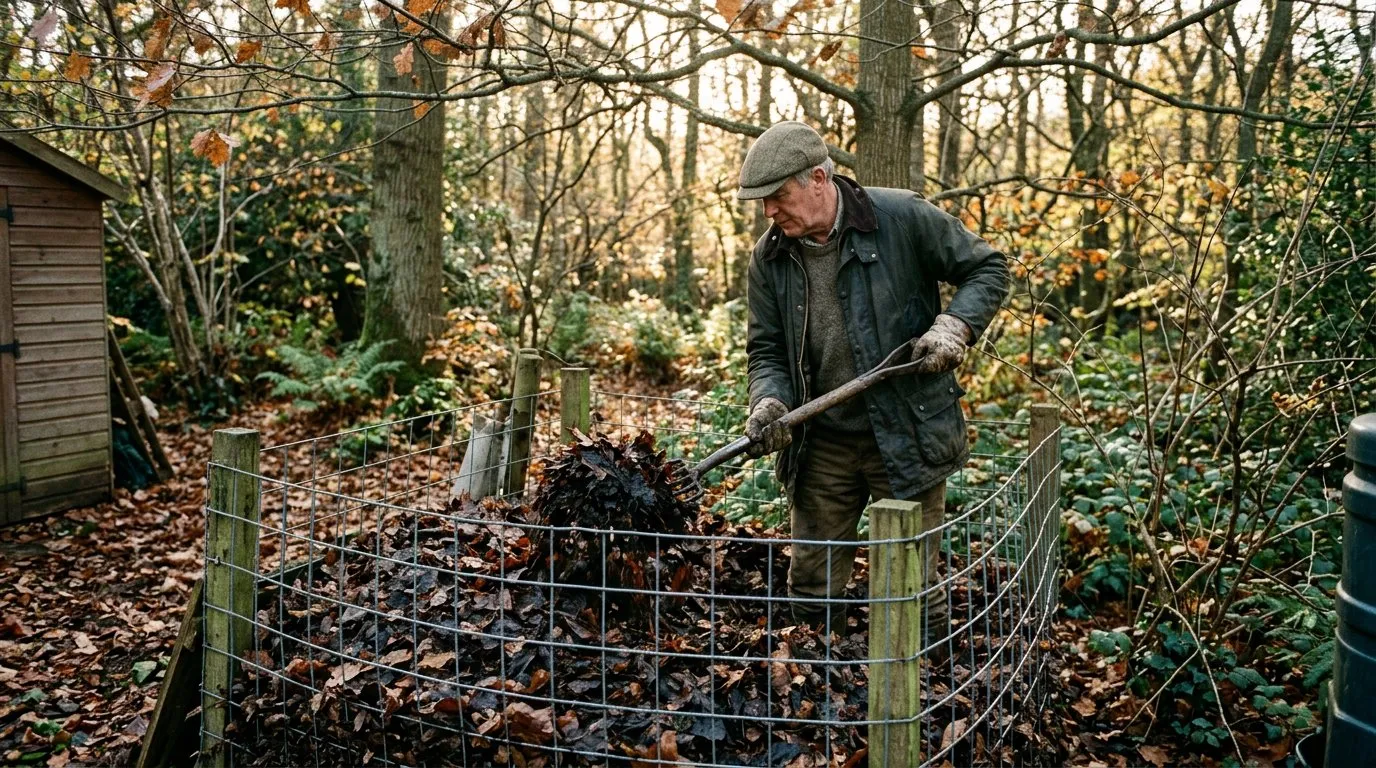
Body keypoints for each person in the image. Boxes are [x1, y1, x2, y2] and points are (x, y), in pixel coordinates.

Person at [738, 121, 1009, 643]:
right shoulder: (768, 257)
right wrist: (770, 400)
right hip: (822, 441)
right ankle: (814, 690)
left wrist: (954, 326)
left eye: (776, 196)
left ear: (818, 178)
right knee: (812, 582)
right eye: (762, 202)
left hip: (907, 433)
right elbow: (766, 349)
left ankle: (917, 689)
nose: (769, 212)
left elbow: (989, 268)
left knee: (909, 581)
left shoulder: (902, 217)